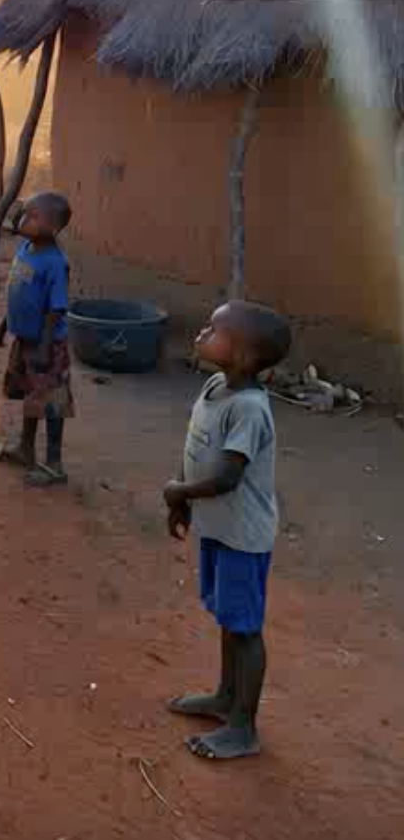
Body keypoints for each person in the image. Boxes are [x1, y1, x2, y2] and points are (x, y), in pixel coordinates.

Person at [163, 300, 292, 762]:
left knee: (245, 629)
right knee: (228, 618)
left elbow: (226, 478)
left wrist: (178, 491)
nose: (201, 333)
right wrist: (183, 502)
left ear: (242, 357)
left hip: (242, 536)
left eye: (214, 330)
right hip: (218, 528)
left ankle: (244, 726)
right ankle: (224, 697)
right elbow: (197, 447)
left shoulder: (250, 409)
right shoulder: (217, 385)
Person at [0, 192, 74, 486]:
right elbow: (18, 293)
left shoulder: (55, 262)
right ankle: (25, 449)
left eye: (32, 216)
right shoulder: (26, 248)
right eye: (24, 212)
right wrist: (4, 325)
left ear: (54, 228)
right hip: (25, 340)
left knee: (51, 402)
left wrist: (44, 347)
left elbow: (56, 308)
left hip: (46, 344)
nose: (23, 218)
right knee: (30, 395)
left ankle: (54, 464)